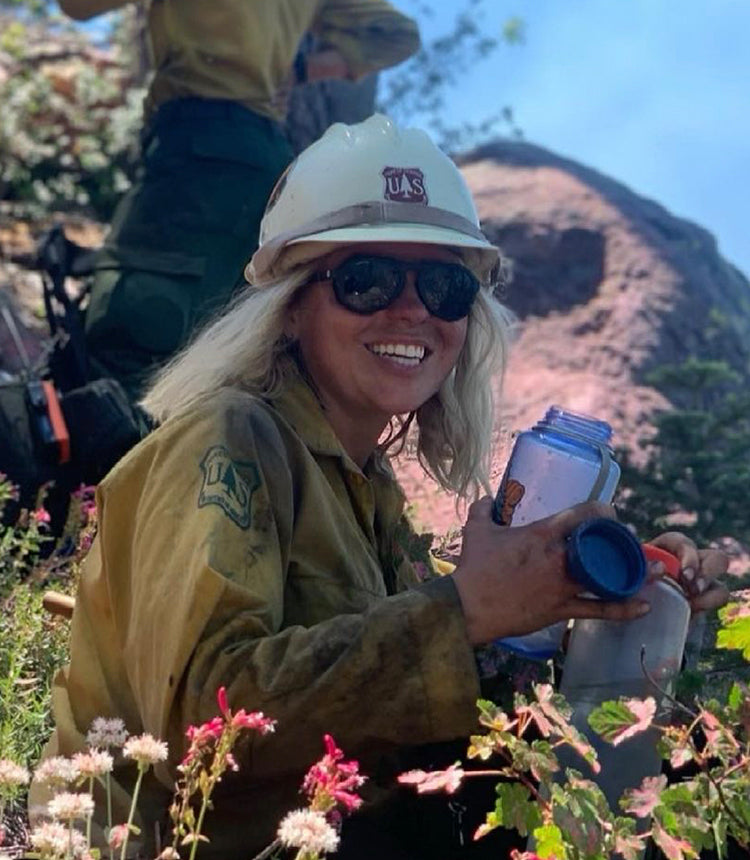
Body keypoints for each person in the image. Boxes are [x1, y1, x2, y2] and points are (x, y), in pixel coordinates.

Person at [35, 115, 730, 859]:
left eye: (444, 285)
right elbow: (209, 717)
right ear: (294, 304)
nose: (412, 310)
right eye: (366, 280)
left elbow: (410, 703)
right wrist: (465, 609)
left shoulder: (367, 488)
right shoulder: (228, 437)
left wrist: (604, 612)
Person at [57, 0, 421, 402]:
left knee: (132, 338)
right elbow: (397, 36)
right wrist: (302, 70)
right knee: (241, 346)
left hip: (194, 150)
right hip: (270, 163)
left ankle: (123, 460)